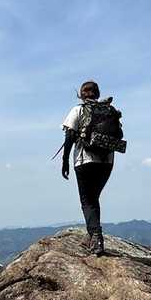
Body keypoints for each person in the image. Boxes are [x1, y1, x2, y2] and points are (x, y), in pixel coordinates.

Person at [61, 80, 114, 256]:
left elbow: (69, 136)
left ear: (81, 94)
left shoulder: (78, 110)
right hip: (107, 161)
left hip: (85, 160)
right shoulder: (109, 110)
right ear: (97, 94)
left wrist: (65, 160)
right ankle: (92, 235)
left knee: (87, 200)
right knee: (93, 198)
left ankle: (96, 238)